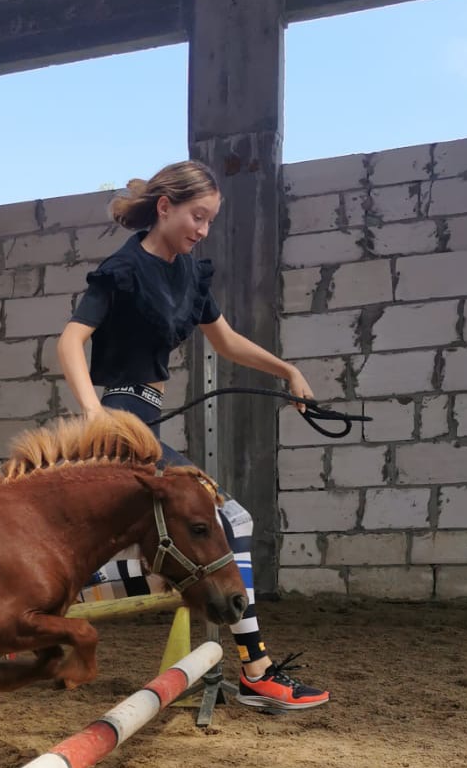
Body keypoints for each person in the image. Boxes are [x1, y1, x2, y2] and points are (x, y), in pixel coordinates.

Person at [55, 159, 329, 713]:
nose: (202, 230)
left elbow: (225, 342)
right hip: (121, 419)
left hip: (148, 415)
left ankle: (37, 608)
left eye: (209, 222)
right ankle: (257, 669)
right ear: (165, 207)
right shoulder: (124, 269)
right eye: (196, 217)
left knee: (166, 548)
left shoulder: (189, 272)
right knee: (231, 521)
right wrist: (93, 414)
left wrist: (289, 372)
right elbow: (69, 341)